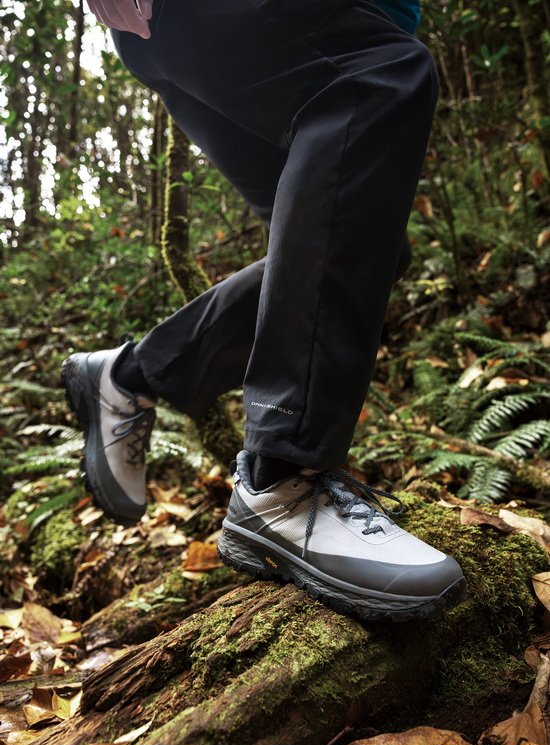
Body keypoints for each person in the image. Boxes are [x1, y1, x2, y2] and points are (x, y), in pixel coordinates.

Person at [62, 0, 466, 621]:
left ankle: (134, 373)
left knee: (360, 239)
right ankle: (282, 479)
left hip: (212, 31)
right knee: (377, 77)